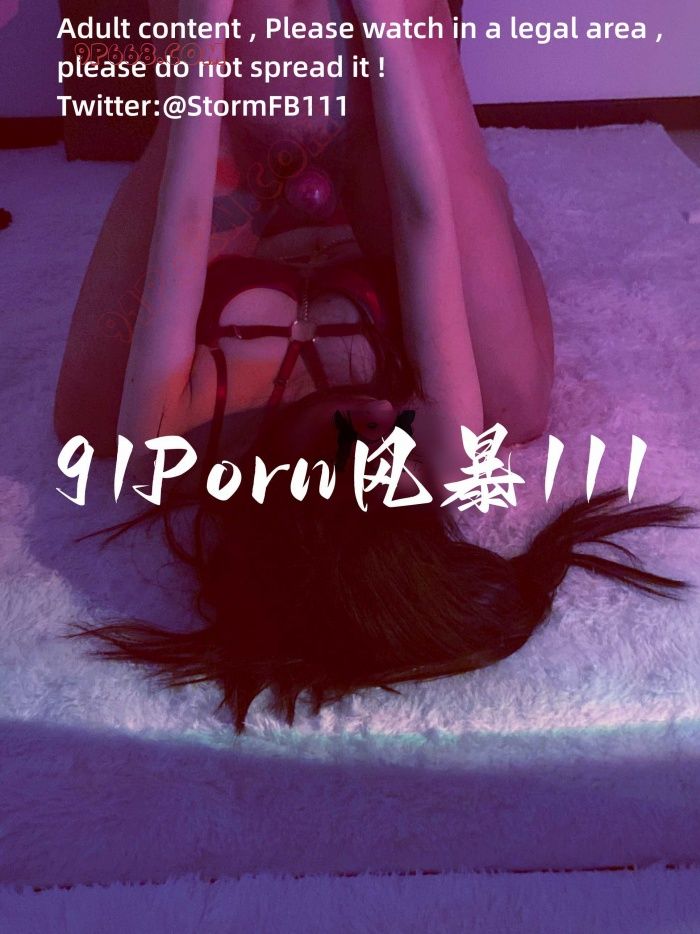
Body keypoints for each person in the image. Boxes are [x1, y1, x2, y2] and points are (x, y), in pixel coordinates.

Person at [55, 0, 693, 732]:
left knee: (269, 47)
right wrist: (389, 30)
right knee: (511, 408)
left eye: (366, 441)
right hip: (377, 200)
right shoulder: (440, 455)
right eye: (402, 452)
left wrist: (205, 37)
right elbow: (425, 222)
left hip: (246, 202)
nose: (391, 414)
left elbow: (189, 214)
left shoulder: (166, 440)